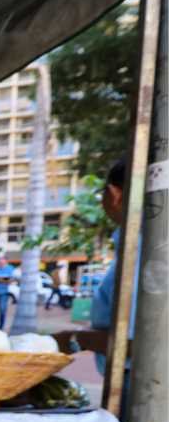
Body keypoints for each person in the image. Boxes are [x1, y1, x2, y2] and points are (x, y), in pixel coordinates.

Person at [53, 159, 131, 373]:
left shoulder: (145, 251)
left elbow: (140, 343)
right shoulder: (137, 248)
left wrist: (76, 339)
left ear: (113, 194)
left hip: (140, 390)